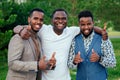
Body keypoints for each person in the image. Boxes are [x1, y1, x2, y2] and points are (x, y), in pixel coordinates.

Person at [13, 9, 108, 80]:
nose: (60, 21)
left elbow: (87, 26)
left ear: (67, 20)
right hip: (45, 78)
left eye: (63, 18)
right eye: (57, 18)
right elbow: (24, 27)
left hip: (65, 78)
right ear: (52, 20)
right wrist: (20, 30)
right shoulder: (43, 29)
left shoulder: (71, 31)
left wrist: (101, 31)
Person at [6, 8, 56, 80]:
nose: (38, 22)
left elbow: (38, 63)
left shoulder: (38, 39)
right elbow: (12, 63)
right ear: (29, 19)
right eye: (35, 18)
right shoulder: (18, 38)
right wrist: (37, 65)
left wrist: (49, 64)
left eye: (41, 20)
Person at [68, 10, 116, 80]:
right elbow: (70, 65)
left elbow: (112, 63)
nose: (86, 27)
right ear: (79, 24)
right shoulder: (74, 40)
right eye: (83, 24)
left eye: (89, 24)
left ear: (93, 23)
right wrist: (74, 62)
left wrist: (100, 59)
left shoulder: (103, 38)